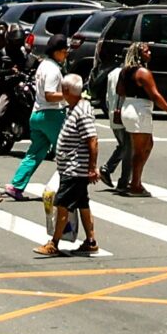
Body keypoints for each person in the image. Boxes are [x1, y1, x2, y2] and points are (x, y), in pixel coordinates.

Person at [38, 74, 102, 257]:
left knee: (62, 204)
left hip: (75, 169)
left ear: (66, 91)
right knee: (82, 203)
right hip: (71, 167)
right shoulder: (73, 108)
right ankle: (91, 241)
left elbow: (92, 140)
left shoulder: (81, 112)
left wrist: (92, 168)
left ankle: (54, 243)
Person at [5, 36, 71, 200]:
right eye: (64, 51)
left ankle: (16, 185)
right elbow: (50, 95)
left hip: (37, 114)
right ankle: (63, 188)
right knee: (67, 152)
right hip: (52, 114)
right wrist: (68, 96)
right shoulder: (54, 70)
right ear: (56, 52)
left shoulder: (44, 65)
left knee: (35, 153)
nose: (66, 54)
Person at [110, 43, 167, 197]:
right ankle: (135, 185)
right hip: (139, 110)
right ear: (139, 55)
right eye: (146, 51)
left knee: (148, 145)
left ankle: (135, 181)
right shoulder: (143, 73)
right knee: (140, 151)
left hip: (129, 107)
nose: (150, 53)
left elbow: (120, 90)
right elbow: (155, 95)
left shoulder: (125, 71)